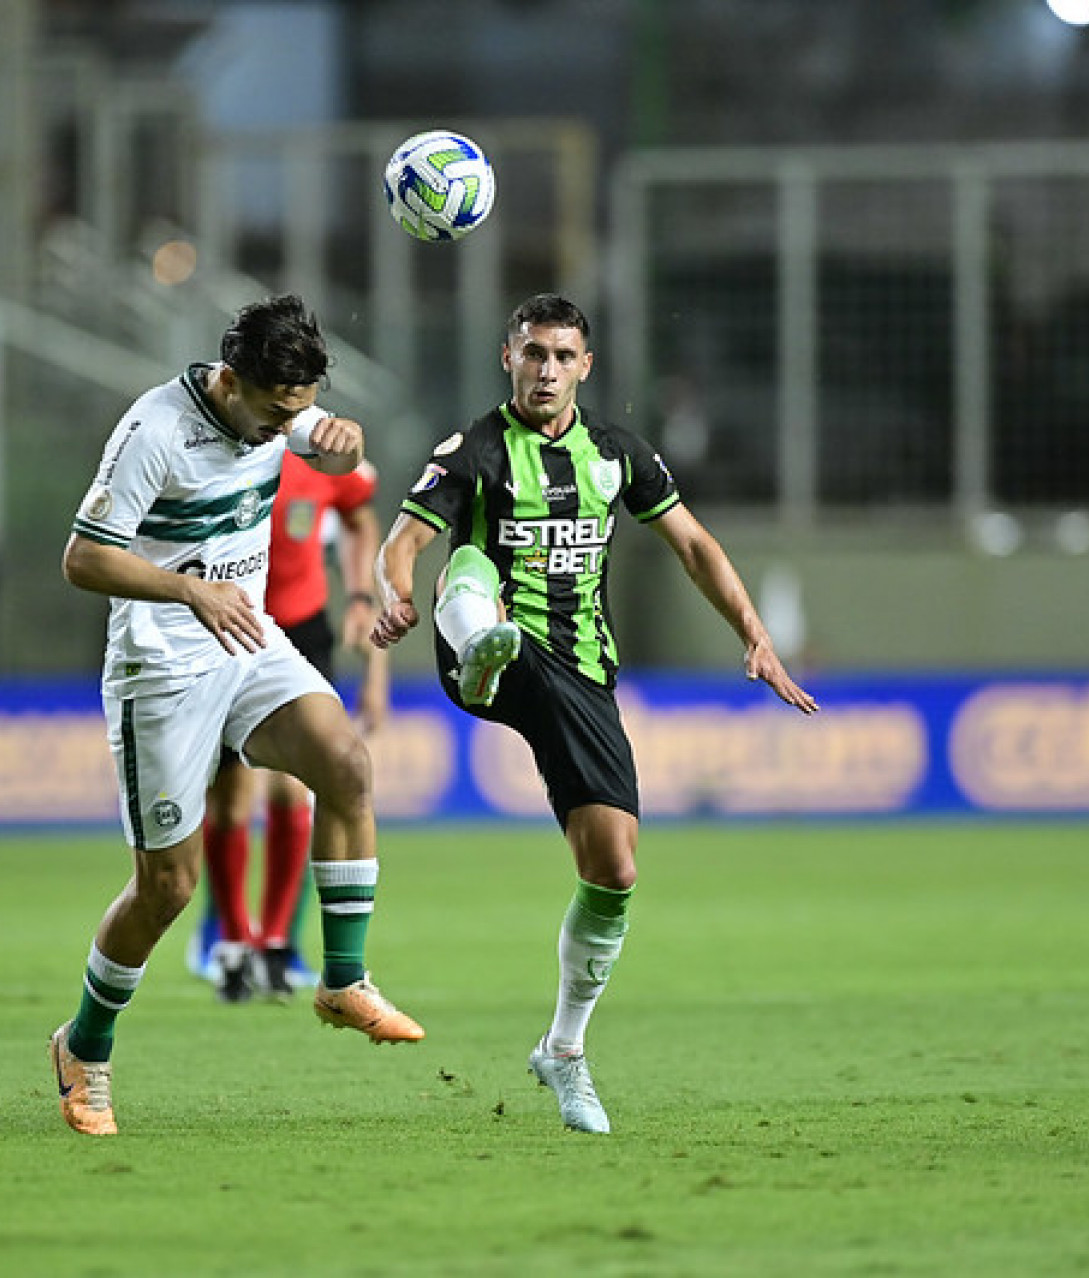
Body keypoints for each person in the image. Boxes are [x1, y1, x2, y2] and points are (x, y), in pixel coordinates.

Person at [371, 292, 818, 1135]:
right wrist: (393, 594)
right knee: (468, 560)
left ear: (586, 366)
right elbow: (405, 541)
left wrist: (754, 635)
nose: (547, 370)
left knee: (614, 870)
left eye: (562, 357)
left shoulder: (617, 453)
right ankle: (478, 651)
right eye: (533, 353)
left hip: (581, 677)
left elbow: (692, 542)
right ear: (508, 357)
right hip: (491, 644)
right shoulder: (471, 450)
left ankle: (563, 1052)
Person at [51, 294, 423, 1138]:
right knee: (168, 888)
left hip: (249, 642)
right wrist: (189, 587)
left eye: (299, 409)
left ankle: (342, 980)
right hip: (163, 667)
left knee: (346, 765)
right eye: (272, 414)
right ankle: (84, 1047)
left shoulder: (277, 403)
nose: (281, 429)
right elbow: (81, 557)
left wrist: (348, 444)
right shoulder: (154, 433)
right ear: (227, 382)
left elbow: (336, 465)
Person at [201, 448, 392, 1003]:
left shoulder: (324, 452)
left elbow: (360, 515)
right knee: (232, 796)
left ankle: (278, 943)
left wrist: (359, 596)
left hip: (303, 633)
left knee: (294, 791)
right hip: (231, 629)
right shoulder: (226, 450)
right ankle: (233, 945)